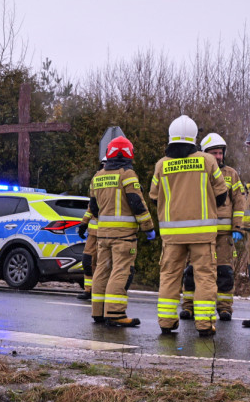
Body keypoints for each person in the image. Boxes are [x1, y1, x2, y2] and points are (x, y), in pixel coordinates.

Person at [149, 115, 228, 336]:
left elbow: (154, 197)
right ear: (194, 137)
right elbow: (222, 195)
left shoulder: (161, 165)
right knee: (205, 277)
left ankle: (166, 322)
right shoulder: (207, 161)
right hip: (203, 235)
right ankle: (204, 325)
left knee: (169, 276)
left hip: (172, 235)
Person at [87, 137, 155, 327]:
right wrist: (148, 227)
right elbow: (137, 203)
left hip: (103, 235)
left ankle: (98, 311)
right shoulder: (127, 174)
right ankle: (116, 313)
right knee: (120, 271)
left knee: (101, 270)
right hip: (123, 237)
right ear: (129, 153)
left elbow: (93, 207)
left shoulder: (97, 176)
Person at [179, 134, 246, 322]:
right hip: (199, 233)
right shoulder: (196, 171)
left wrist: (237, 227)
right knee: (192, 272)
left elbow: (239, 202)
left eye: (220, 153)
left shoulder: (231, 174)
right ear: (204, 153)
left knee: (224, 273)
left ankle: (225, 308)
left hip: (223, 235)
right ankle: (189, 307)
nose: (218, 156)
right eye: (213, 152)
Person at [76, 156, 107, 301]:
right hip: (94, 232)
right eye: (103, 164)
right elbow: (91, 206)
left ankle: (102, 290)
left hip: (108, 233)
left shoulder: (120, 178)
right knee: (87, 261)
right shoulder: (96, 179)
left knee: (103, 264)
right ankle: (89, 290)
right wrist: (84, 223)